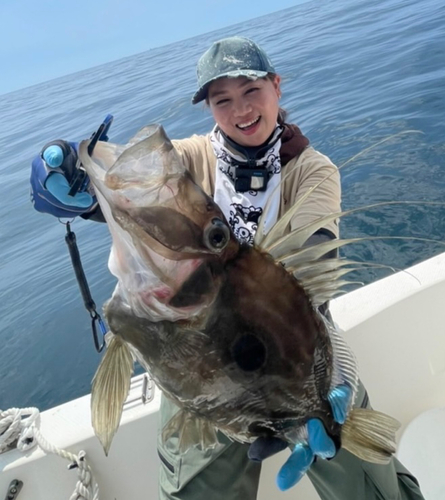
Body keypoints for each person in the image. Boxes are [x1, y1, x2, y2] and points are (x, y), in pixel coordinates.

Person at [30, 36, 424, 500]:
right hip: (197, 363)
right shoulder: (195, 158)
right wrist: (80, 188)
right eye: (223, 100)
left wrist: (333, 380)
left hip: (296, 349)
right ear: (210, 109)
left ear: (277, 87)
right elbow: (149, 191)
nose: (241, 110)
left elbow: (313, 273)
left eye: (251, 91)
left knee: (367, 483)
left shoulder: (312, 171)